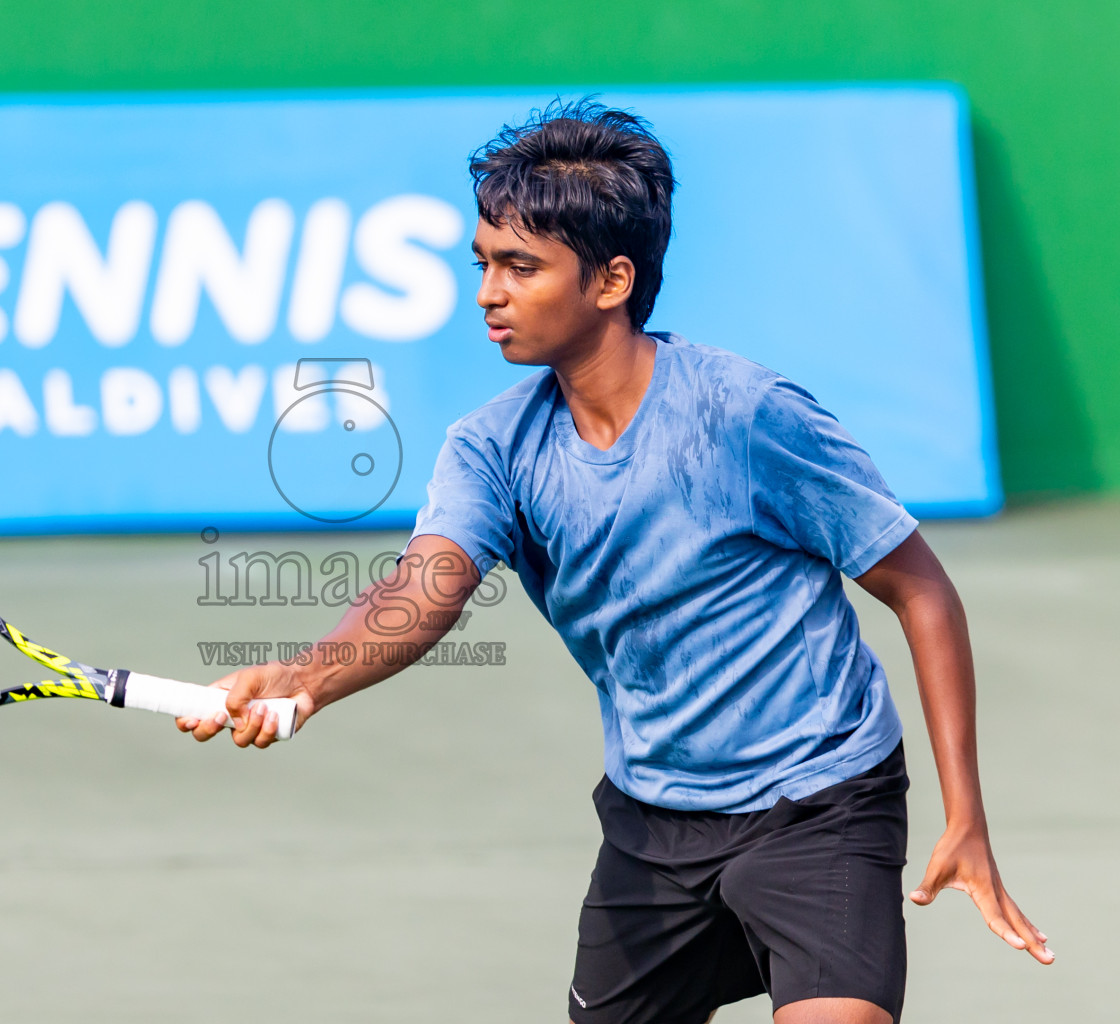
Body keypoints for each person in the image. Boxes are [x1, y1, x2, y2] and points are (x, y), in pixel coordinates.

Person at [176, 100, 1050, 1023]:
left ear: (611, 280)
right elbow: (425, 586)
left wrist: (967, 816)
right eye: (483, 264)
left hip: (819, 799)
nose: (488, 291)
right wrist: (307, 676)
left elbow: (919, 589)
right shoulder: (492, 449)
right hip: (653, 822)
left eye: (520, 266)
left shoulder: (746, 417)